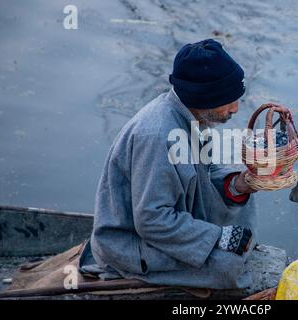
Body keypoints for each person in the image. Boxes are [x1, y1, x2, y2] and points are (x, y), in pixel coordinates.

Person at [80, 39, 259, 289]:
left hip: (165, 226)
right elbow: (152, 220)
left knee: (245, 211)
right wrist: (217, 237)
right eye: (228, 100)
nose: (235, 109)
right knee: (228, 266)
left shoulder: (194, 117)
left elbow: (207, 174)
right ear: (204, 97)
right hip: (131, 242)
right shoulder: (156, 136)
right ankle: (123, 268)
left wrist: (240, 184)